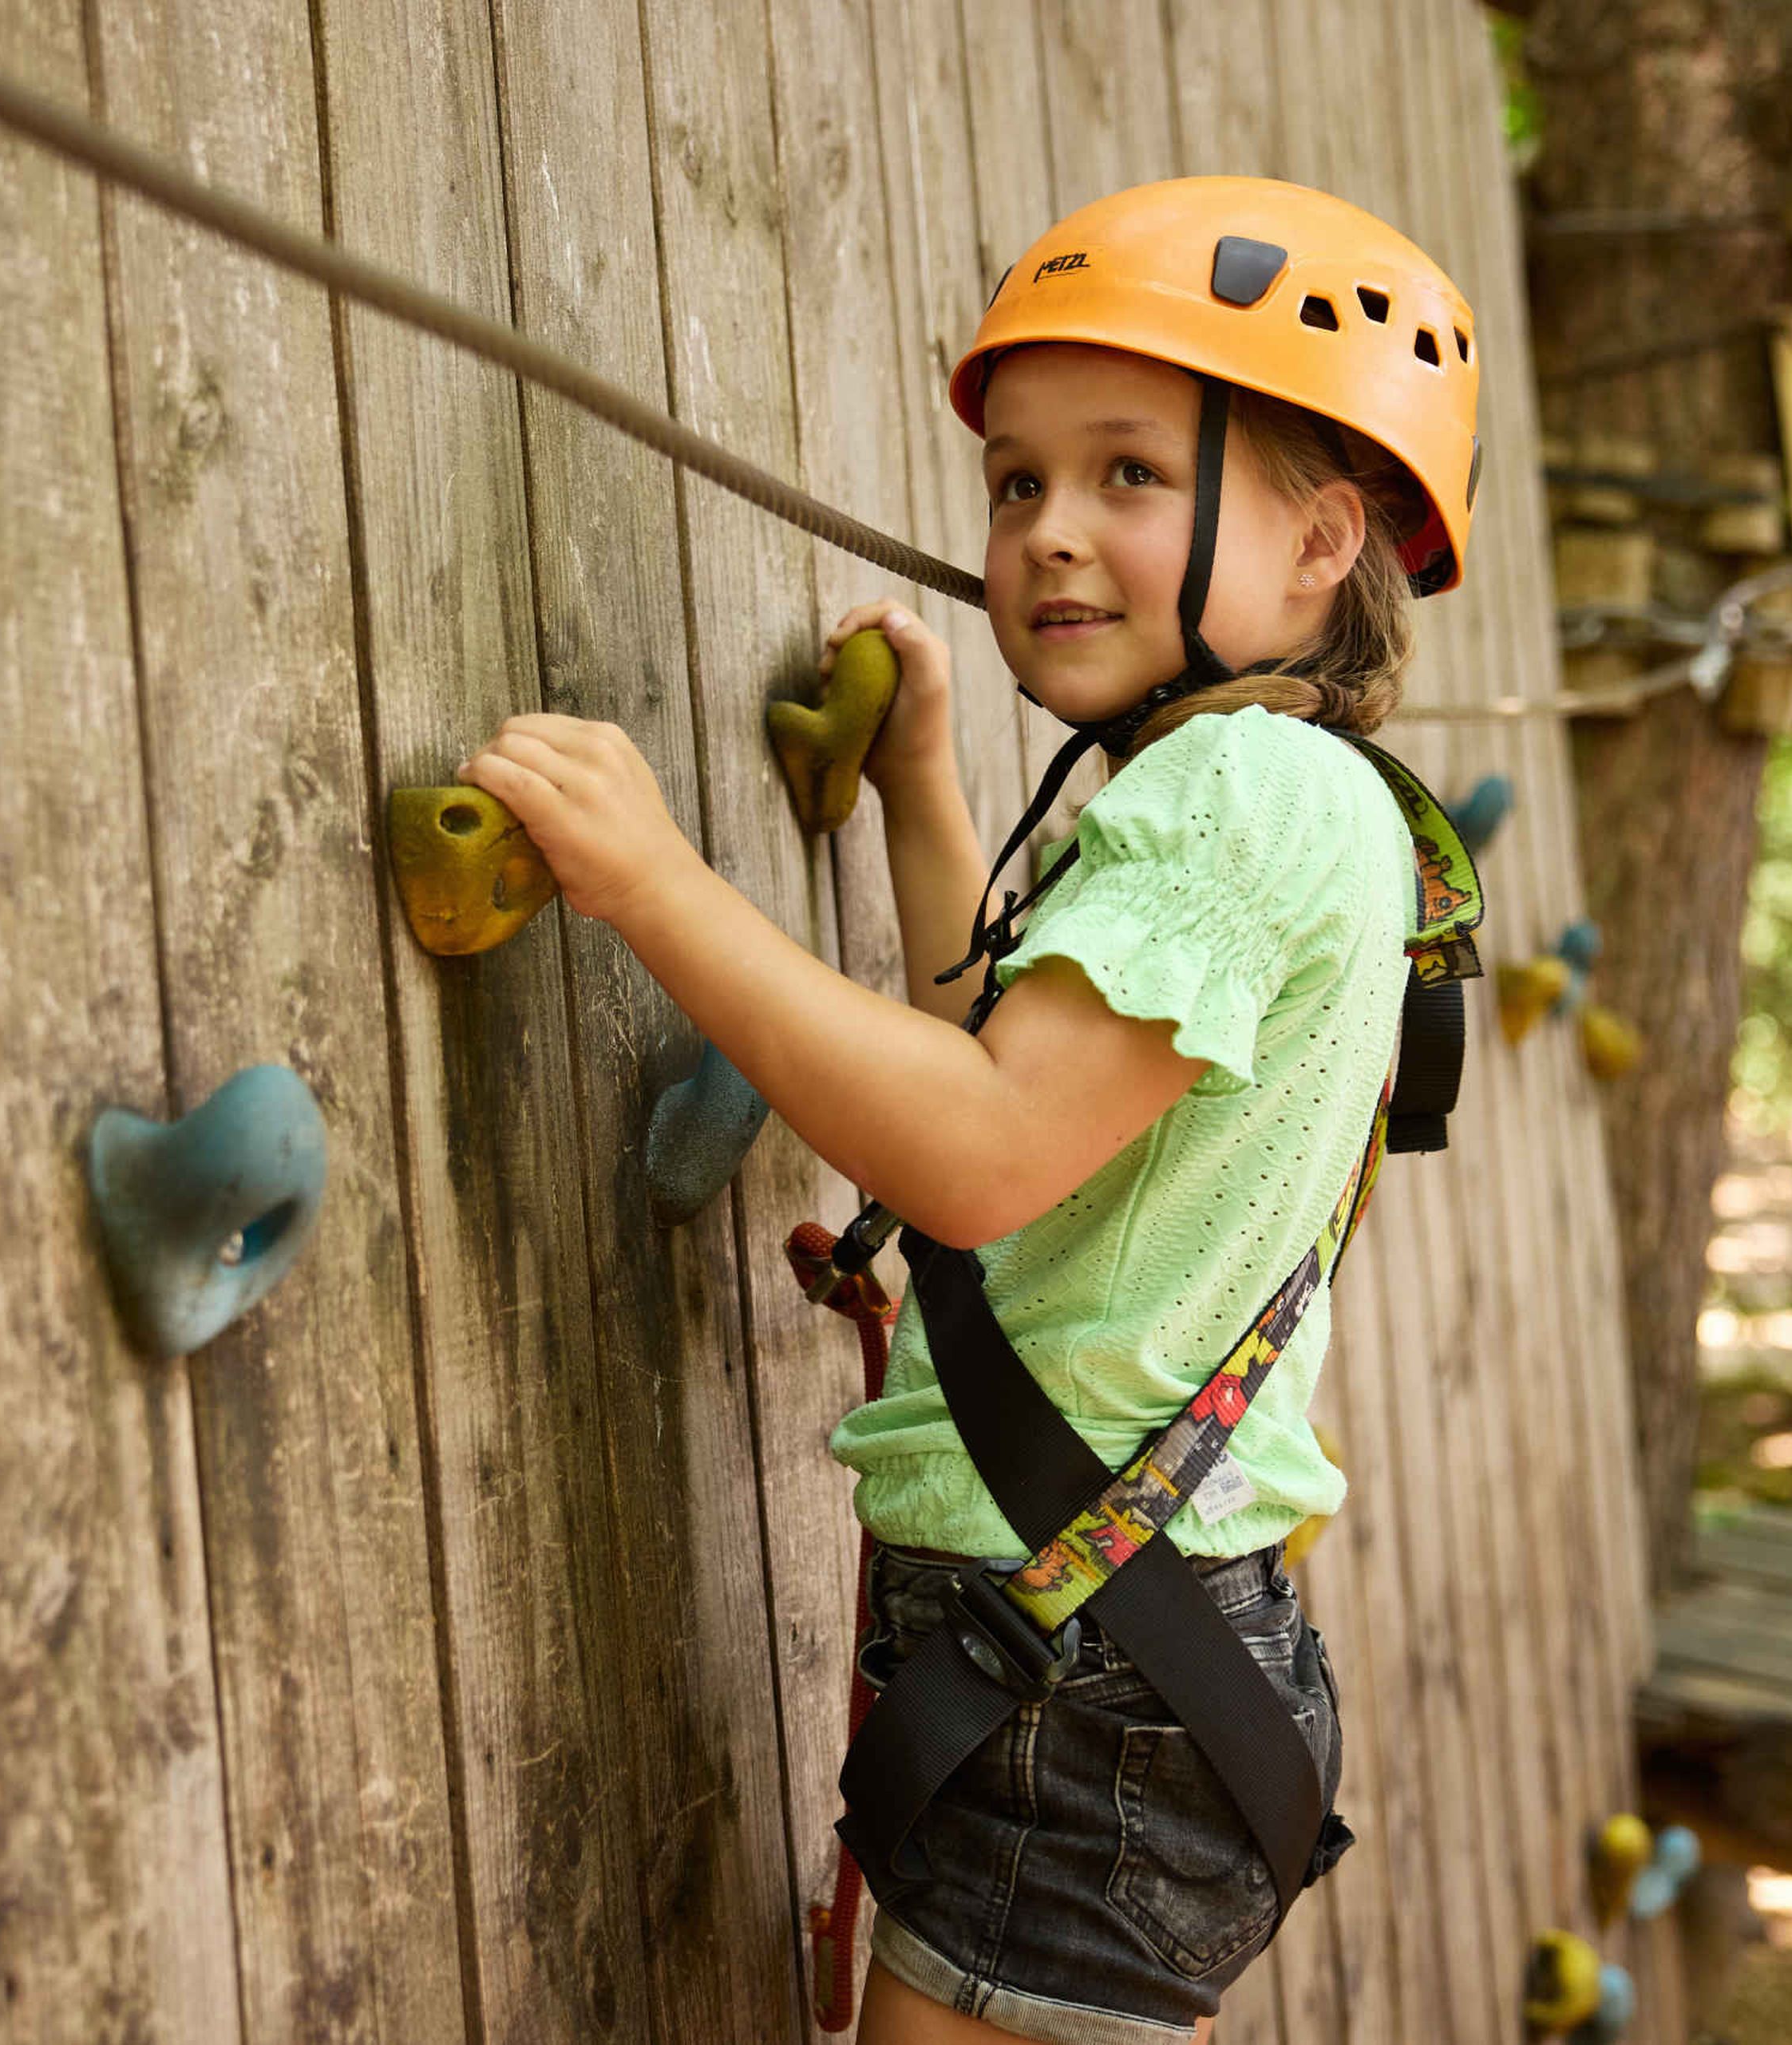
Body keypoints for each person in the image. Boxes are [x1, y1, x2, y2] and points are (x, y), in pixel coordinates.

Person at [460, 176, 1482, 2045]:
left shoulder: (1239, 790)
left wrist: (655, 886)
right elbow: (995, 1076)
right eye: (1018, 483)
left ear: (1324, 538)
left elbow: (975, 1156)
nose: (1048, 532)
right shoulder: (1297, 795)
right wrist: (928, 787)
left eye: (1127, 474)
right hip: (1116, 1647)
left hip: (1084, 1670)